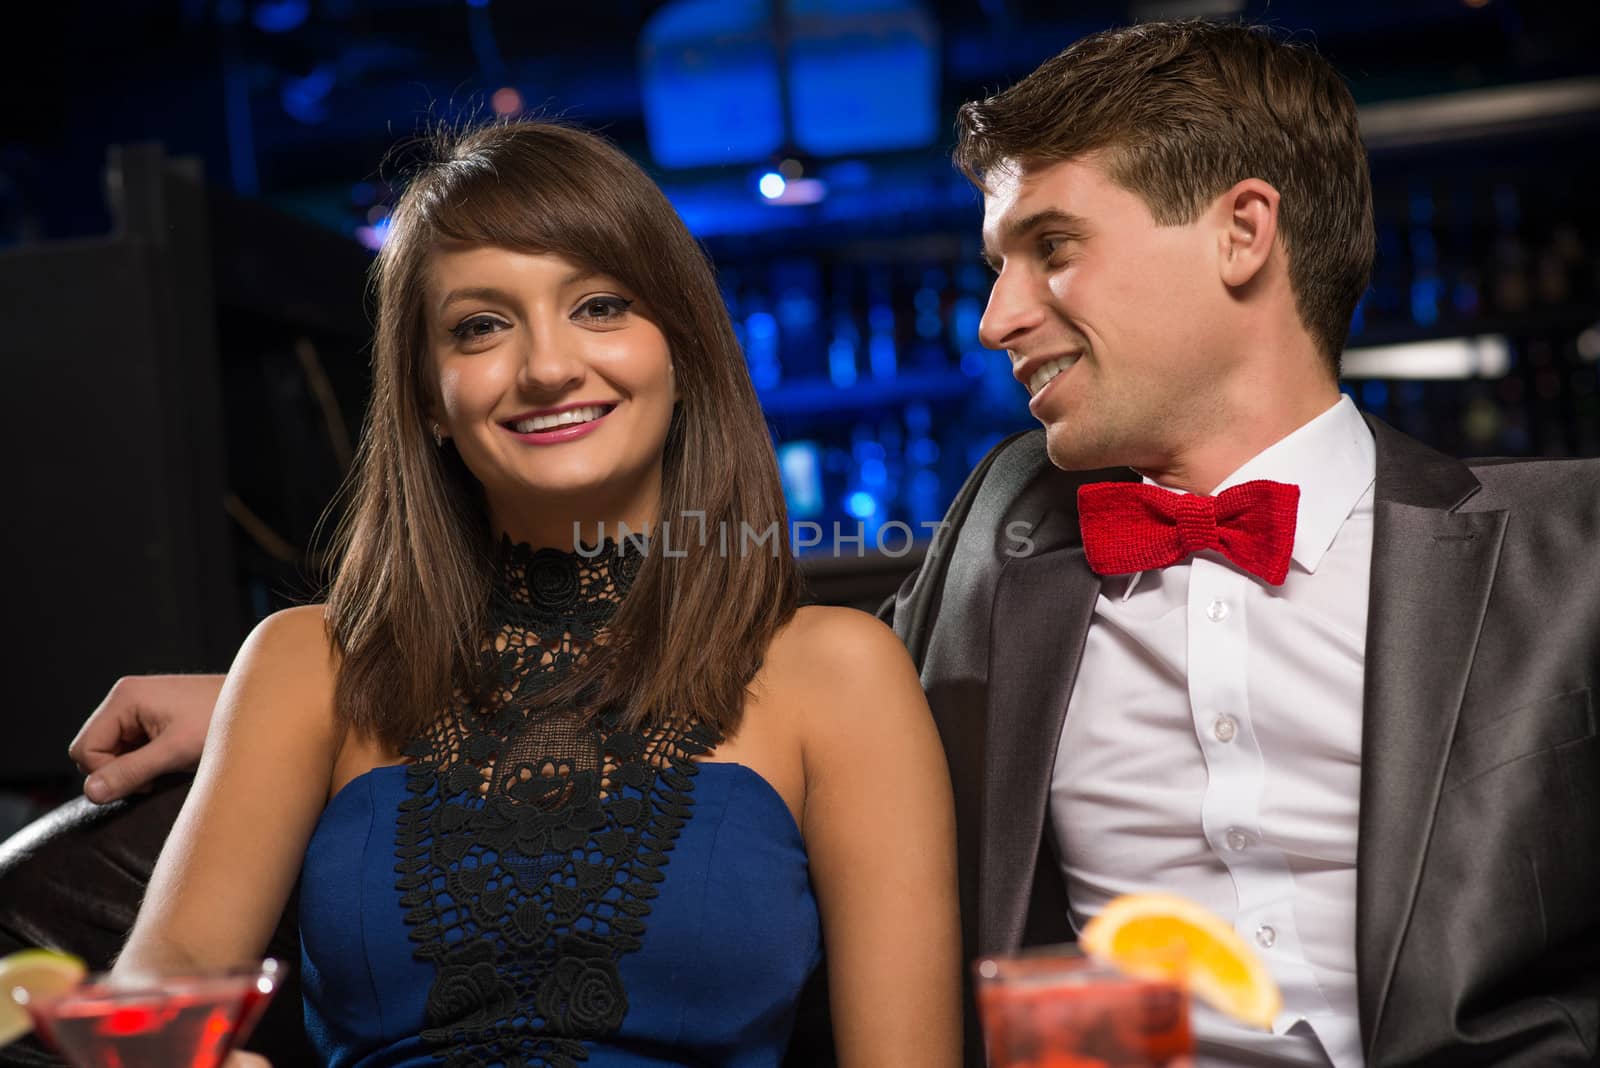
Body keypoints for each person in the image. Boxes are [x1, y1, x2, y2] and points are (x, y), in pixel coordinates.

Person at [64, 17, 1600, 1068]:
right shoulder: (1003, 541)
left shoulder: (1567, 557)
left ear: (1245, 233)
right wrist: (287, 695)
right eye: (482, 329)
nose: (992, 317)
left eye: (1046, 251)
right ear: (427, 386)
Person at [74, 119, 961, 1067]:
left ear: (685, 350)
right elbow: (153, 1002)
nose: (546, 367)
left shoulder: (840, 671)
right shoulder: (302, 664)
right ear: (424, 393)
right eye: (481, 327)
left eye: (601, 306)